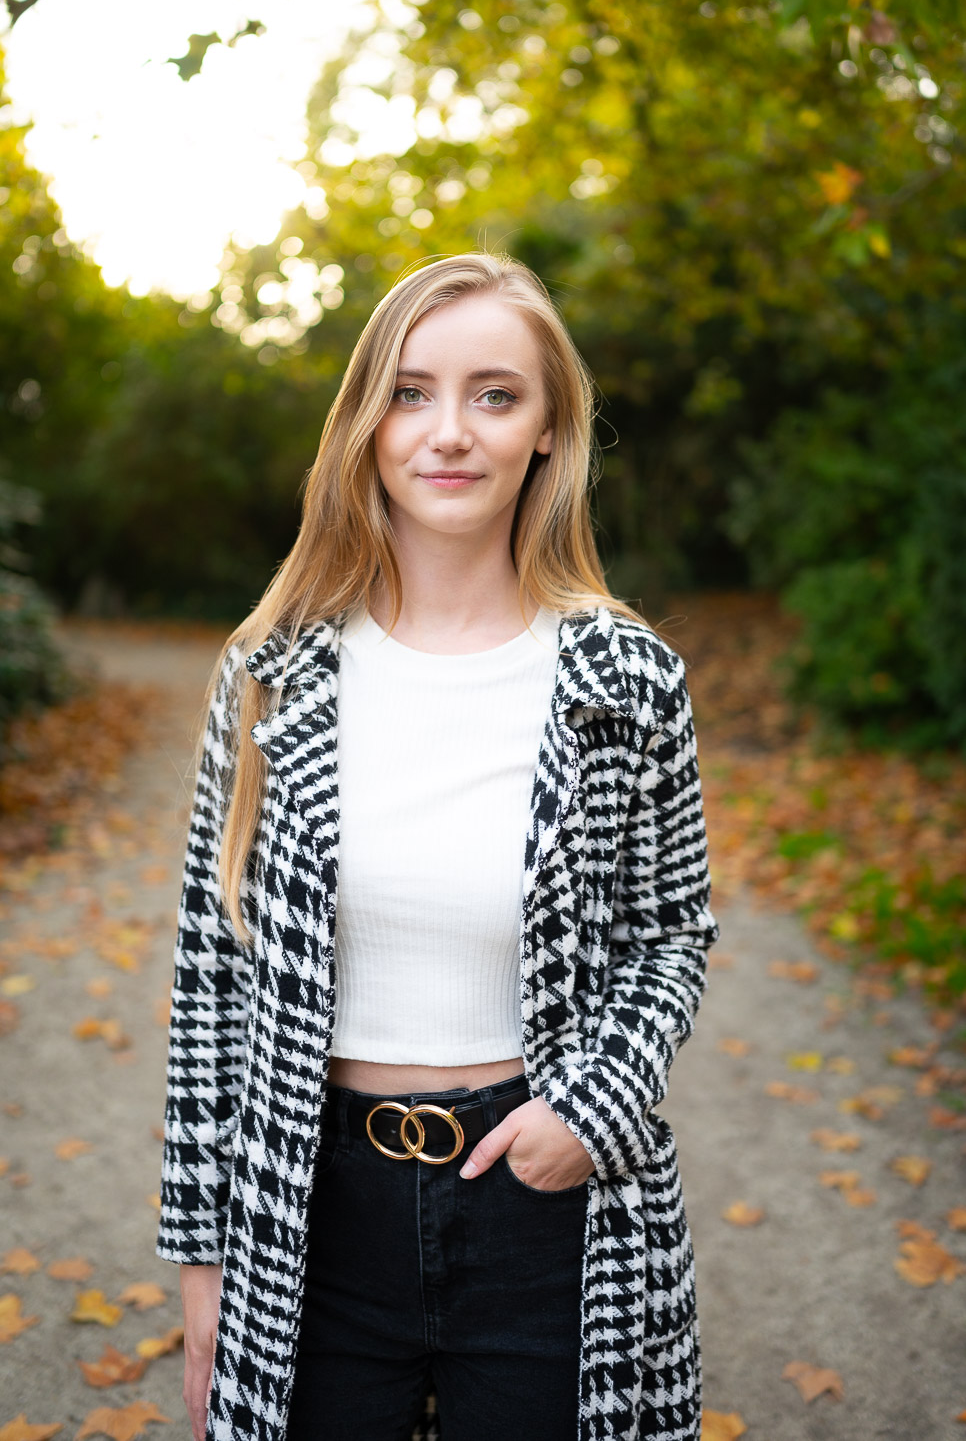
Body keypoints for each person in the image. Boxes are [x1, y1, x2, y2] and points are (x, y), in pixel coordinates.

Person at [155, 251, 720, 1441]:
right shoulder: (271, 676)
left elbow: (671, 932)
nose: (448, 432)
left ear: (550, 433)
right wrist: (203, 1266)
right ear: (364, 423)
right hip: (310, 1208)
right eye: (410, 392)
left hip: (542, 1200)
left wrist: (592, 1110)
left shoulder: (624, 680)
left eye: (494, 394)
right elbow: (212, 975)